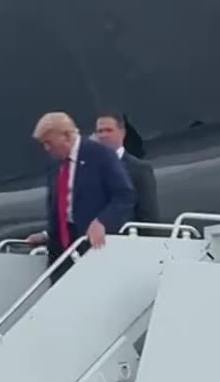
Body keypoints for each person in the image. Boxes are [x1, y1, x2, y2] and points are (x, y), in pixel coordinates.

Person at [25, 112, 135, 279]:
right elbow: (62, 207)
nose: (46, 148)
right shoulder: (56, 163)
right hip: (61, 251)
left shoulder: (100, 155)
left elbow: (125, 195)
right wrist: (47, 235)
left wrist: (103, 221)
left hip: (91, 247)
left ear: (67, 136)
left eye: (49, 143)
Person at [93, 111, 160, 225]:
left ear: (122, 133)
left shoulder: (140, 169)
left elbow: (149, 218)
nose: (103, 135)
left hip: (126, 240)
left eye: (109, 130)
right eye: (100, 131)